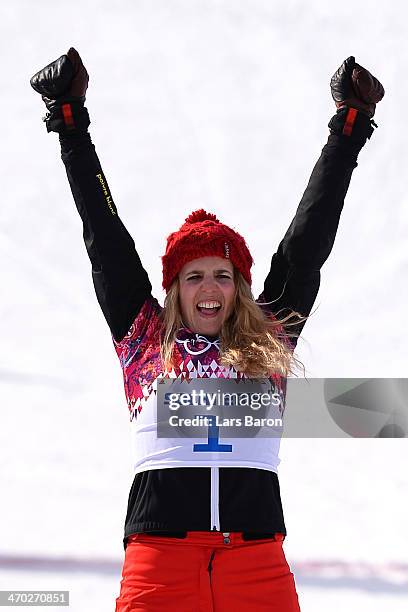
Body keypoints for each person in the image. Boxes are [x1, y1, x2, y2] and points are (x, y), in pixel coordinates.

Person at [30, 49, 384, 611]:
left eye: (223, 274)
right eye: (193, 276)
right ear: (175, 289)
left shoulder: (269, 342)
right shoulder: (146, 342)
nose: (209, 287)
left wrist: (348, 131)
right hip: (159, 563)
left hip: (257, 561)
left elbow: (305, 250)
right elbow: (106, 242)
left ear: (239, 287)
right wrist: (70, 121)